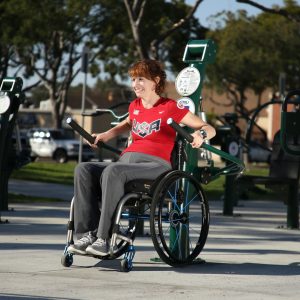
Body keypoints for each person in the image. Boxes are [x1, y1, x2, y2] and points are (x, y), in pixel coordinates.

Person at [67, 59, 216, 256]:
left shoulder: (170, 107)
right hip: (126, 164)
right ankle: (87, 233)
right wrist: (105, 135)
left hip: (155, 166)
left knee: (113, 171)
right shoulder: (135, 105)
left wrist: (201, 135)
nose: (135, 84)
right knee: (83, 169)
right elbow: (126, 125)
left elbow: (208, 128)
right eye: (133, 79)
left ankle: (104, 238)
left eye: (140, 79)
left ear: (155, 82)